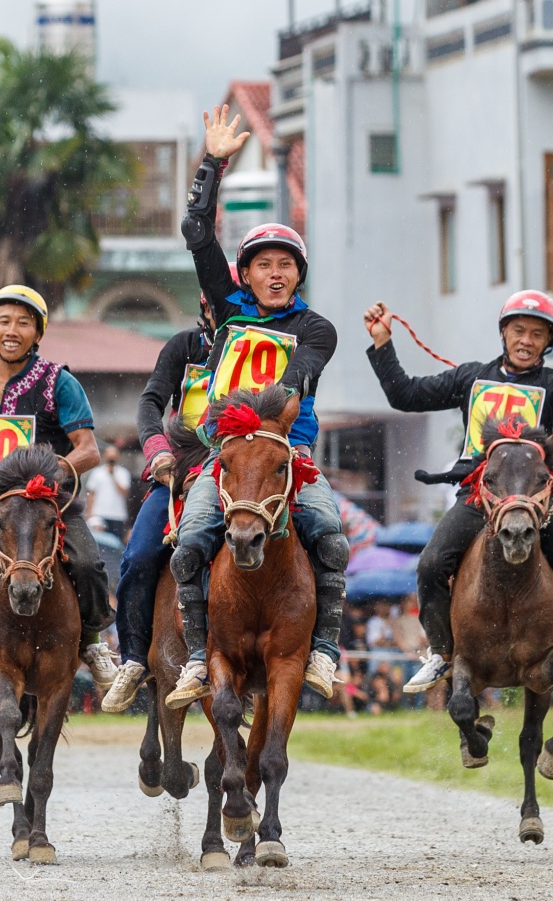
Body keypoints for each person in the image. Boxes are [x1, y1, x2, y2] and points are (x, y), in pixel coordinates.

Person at [164, 104, 352, 709]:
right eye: (264, 266)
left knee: (329, 535)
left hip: (287, 454)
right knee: (191, 537)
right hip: (225, 459)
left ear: (299, 275)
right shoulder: (227, 309)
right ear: (244, 274)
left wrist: (271, 422)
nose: (276, 274)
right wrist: (212, 163)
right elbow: (197, 233)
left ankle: (322, 647)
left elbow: (297, 382)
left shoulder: (316, 328)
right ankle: (198, 656)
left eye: (286, 265)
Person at [362, 288, 553, 695]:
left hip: (535, 507)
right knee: (431, 564)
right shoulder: (471, 377)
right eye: (519, 330)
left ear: (548, 343)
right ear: (504, 333)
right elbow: (405, 395)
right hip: (478, 499)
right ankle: (441, 653)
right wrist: (382, 342)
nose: (526, 341)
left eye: (537, 335)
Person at [0, 285, 118, 718]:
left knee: (88, 564)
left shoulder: (59, 382)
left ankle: (93, 643)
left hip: (51, 509)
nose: (12, 331)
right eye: (4, 321)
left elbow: (87, 449)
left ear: (38, 333)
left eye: (24, 323)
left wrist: (44, 480)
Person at [99, 296, 217, 712]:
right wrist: (158, 451)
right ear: (204, 307)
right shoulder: (184, 346)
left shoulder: (272, 343)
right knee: (139, 554)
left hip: (244, 475)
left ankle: (315, 652)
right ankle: (133, 657)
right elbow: (150, 403)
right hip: (178, 474)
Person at [83, 446, 132, 538]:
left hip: (117, 515)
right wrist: (89, 513)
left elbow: (124, 492)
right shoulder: (97, 473)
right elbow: (91, 494)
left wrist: (113, 475)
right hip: (100, 513)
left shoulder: (123, 473)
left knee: (115, 542)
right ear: (105, 457)